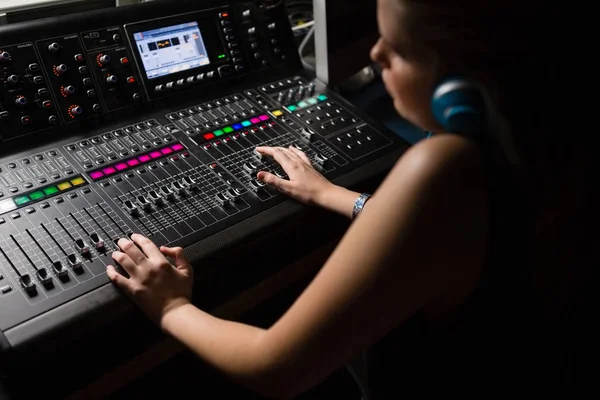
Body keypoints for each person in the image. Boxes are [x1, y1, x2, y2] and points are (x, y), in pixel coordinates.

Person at [106, 0, 588, 397]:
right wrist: (335, 195)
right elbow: (443, 234)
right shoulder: (549, 138)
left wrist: (171, 307)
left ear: (462, 89)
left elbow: (275, 366)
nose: (375, 55)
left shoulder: (446, 167)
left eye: (396, 50)